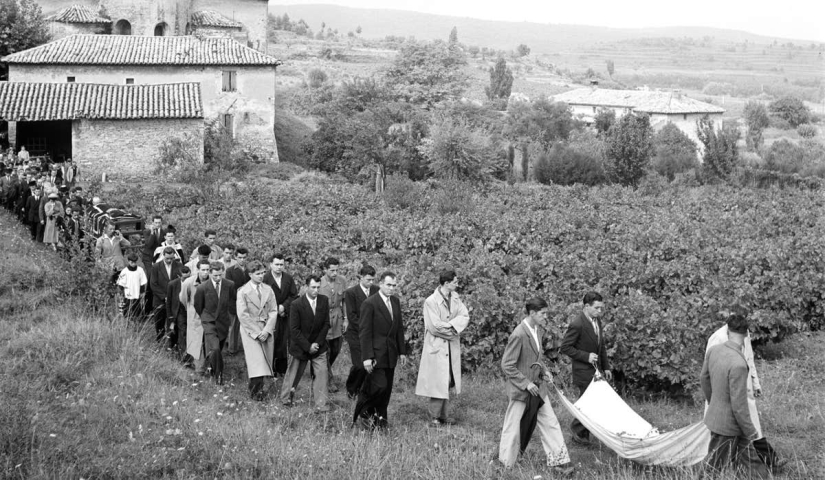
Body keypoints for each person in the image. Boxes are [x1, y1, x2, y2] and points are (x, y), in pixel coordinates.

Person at [498, 297, 574, 476]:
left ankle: (560, 462)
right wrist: (526, 383)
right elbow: (507, 364)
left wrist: (544, 371)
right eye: (543, 313)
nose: (546, 317)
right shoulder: (518, 334)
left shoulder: (538, 330)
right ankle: (505, 464)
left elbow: (537, 359)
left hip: (539, 388)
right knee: (513, 426)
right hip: (521, 391)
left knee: (551, 422)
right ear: (532, 313)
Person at [706, 316, 783, 472]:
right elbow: (711, 375)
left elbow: (749, 359)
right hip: (728, 412)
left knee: (748, 451)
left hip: (740, 397)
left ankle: (770, 465)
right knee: (715, 464)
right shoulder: (717, 340)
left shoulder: (740, 338)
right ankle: (769, 462)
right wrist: (715, 402)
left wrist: (755, 382)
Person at [415, 270, 470, 425]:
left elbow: (464, 316)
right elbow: (433, 327)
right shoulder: (431, 301)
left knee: (447, 380)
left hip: (450, 347)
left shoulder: (456, 298)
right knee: (437, 382)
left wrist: (449, 327)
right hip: (437, 348)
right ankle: (434, 417)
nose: (457, 284)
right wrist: (453, 330)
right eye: (455, 281)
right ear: (446, 283)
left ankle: (443, 416)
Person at [353, 271, 407, 430]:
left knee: (386, 390)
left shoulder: (395, 302)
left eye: (394, 285)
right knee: (378, 387)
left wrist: (402, 351)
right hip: (376, 354)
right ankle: (364, 414)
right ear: (381, 284)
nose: (391, 288)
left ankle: (381, 421)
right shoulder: (370, 303)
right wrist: (367, 357)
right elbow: (364, 332)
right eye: (388, 285)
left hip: (391, 354)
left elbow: (398, 328)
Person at [560, 291, 612, 446]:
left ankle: (581, 434)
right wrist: (586, 356)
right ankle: (578, 433)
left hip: (596, 371)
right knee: (589, 404)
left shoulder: (597, 321)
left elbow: (600, 346)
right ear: (586, 306)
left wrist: (606, 367)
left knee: (590, 403)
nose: (600, 311)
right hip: (583, 371)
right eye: (597, 308)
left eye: (601, 308)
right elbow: (566, 347)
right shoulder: (577, 324)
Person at [279, 275, 331, 412]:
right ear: (306, 287)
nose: (316, 290)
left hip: (318, 345)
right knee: (293, 374)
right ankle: (286, 399)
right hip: (300, 346)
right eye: (313, 287)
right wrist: (308, 346)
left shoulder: (324, 301)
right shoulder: (296, 304)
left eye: (318, 287)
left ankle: (321, 405)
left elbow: (326, 324)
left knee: (322, 373)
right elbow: (294, 330)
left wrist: (317, 344)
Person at [236, 261, 279, 400]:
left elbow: (273, 310)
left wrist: (266, 330)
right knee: (257, 362)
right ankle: (256, 393)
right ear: (250, 275)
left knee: (265, 360)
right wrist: (256, 333)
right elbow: (243, 315)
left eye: (262, 273)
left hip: (266, 329)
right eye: (258, 273)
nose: (261, 276)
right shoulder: (243, 291)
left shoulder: (268, 289)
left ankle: (258, 390)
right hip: (251, 331)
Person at [193, 261, 237, 385]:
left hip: (223, 321)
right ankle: (218, 376)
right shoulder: (203, 287)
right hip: (209, 321)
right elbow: (198, 305)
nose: (218, 278)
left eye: (220, 275)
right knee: (216, 348)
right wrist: (205, 317)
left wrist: (229, 316)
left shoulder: (230, 285)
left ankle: (211, 367)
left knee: (218, 349)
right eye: (215, 275)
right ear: (210, 274)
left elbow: (233, 301)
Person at [343, 264, 379, 398]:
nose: (370, 282)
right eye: (368, 279)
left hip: (372, 335)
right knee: (359, 365)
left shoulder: (376, 290)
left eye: (372, 280)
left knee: (369, 364)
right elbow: (352, 316)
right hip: (356, 334)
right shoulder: (351, 293)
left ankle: (364, 389)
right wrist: (367, 328)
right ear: (361, 278)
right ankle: (351, 389)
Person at [263, 253, 299, 377]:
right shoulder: (265, 278)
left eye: (281, 265)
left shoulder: (288, 278)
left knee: (283, 341)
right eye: (276, 264)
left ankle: (281, 370)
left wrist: (284, 306)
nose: (279, 267)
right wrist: (275, 308)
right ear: (270, 265)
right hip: (269, 316)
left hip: (284, 315)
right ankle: (269, 369)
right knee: (271, 340)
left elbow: (294, 295)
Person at [319, 257, 347, 393]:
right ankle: (328, 380)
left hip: (337, 318)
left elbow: (345, 301)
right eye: (332, 270)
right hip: (323, 319)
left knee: (336, 348)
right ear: (325, 270)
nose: (335, 273)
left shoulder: (342, 281)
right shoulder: (319, 283)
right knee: (325, 350)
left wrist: (346, 318)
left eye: (337, 270)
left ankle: (319, 369)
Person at [182, 260, 211, 375]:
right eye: (203, 270)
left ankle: (208, 366)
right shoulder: (189, 282)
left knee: (208, 340)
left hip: (208, 315)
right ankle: (198, 368)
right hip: (194, 316)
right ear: (198, 269)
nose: (205, 272)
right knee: (196, 341)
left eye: (207, 270)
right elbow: (183, 299)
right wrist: (190, 310)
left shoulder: (212, 282)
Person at [150, 247, 183, 342]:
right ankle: (159, 340)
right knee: (159, 322)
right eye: (167, 258)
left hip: (174, 300)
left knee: (173, 322)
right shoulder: (156, 266)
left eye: (171, 258)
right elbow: (153, 284)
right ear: (163, 256)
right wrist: (164, 296)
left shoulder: (179, 265)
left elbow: (181, 282)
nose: (169, 260)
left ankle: (172, 343)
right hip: (159, 300)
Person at [224, 247, 250, 356]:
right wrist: (240, 298)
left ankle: (248, 348)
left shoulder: (250, 270)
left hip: (249, 302)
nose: (242, 260)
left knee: (248, 326)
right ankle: (232, 349)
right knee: (234, 326)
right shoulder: (230, 271)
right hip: (234, 302)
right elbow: (230, 288)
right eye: (240, 257)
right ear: (236, 257)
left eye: (244, 257)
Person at [166, 266, 191, 360]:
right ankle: (182, 354)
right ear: (179, 276)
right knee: (181, 332)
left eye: (189, 277)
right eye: (185, 278)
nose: (187, 280)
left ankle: (185, 353)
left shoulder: (193, 283)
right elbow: (168, 302)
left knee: (185, 333)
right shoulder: (172, 285)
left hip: (189, 312)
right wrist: (170, 318)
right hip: (178, 312)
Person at [117, 253, 148, 321]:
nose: (133, 264)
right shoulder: (125, 271)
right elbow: (121, 284)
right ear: (128, 261)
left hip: (137, 292)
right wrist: (121, 293)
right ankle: (127, 319)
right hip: (127, 293)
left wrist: (142, 292)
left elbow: (142, 282)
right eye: (132, 262)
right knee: (127, 307)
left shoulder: (140, 270)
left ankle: (137, 319)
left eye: (135, 262)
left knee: (137, 307)